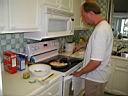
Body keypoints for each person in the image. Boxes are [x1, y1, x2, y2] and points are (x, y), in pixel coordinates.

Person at [72, 2, 113, 96]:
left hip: (95, 77)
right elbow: (97, 44)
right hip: (99, 75)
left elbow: (95, 62)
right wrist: (82, 45)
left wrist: (80, 72)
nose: (83, 19)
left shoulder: (100, 30)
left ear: (91, 13)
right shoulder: (104, 26)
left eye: (83, 15)